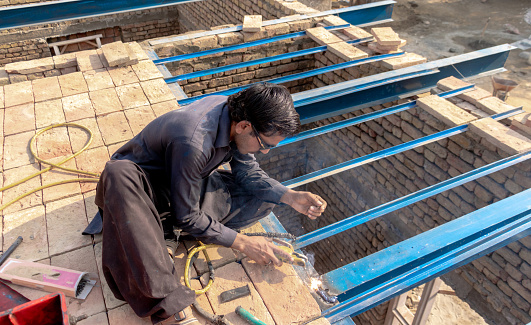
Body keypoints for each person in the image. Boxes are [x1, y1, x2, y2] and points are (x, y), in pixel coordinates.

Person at [91, 83, 327, 324]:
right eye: (265, 145)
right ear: (245, 126)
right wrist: (243, 243)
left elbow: (247, 171)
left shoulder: (238, 113)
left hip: (182, 183)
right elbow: (188, 215)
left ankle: (164, 231)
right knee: (121, 177)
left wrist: (289, 195)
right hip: (143, 191)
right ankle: (167, 301)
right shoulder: (194, 141)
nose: (265, 152)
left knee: (264, 198)